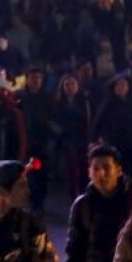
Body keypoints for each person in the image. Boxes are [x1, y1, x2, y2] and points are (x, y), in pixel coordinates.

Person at [63, 145, 132, 262]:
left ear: (118, 170)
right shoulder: (83, 206)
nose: (101, 174)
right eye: (96, 169)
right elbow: (74, 252)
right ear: (89, 172)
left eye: (106, 168)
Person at [92, 73, 132, 181]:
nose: (120, 87)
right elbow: (98, 122)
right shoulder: (108, 104)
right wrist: (94, 139)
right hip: (116, 145)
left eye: (123, 84)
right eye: (117, 85)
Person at [19, 66, 55, 216]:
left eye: (39, 78)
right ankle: (30, 203)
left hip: (43, 141)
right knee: (28, 175)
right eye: (33, 78)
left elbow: (52, 119)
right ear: (27, 80)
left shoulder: (47, 98)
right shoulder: (21, 98)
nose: (36, 81)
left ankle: (39, 203)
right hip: (26, 141)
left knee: (41, 175)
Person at [54, 73, 93, 202]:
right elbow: (55, 122)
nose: (70, 87)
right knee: (72, 171)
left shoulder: (85, 100)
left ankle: (85, 195)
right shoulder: (58, 103)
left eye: (72, 84)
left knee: (84, 169)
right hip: (67, 140)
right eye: (67, 84)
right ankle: (74, 198)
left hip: (83, 139)